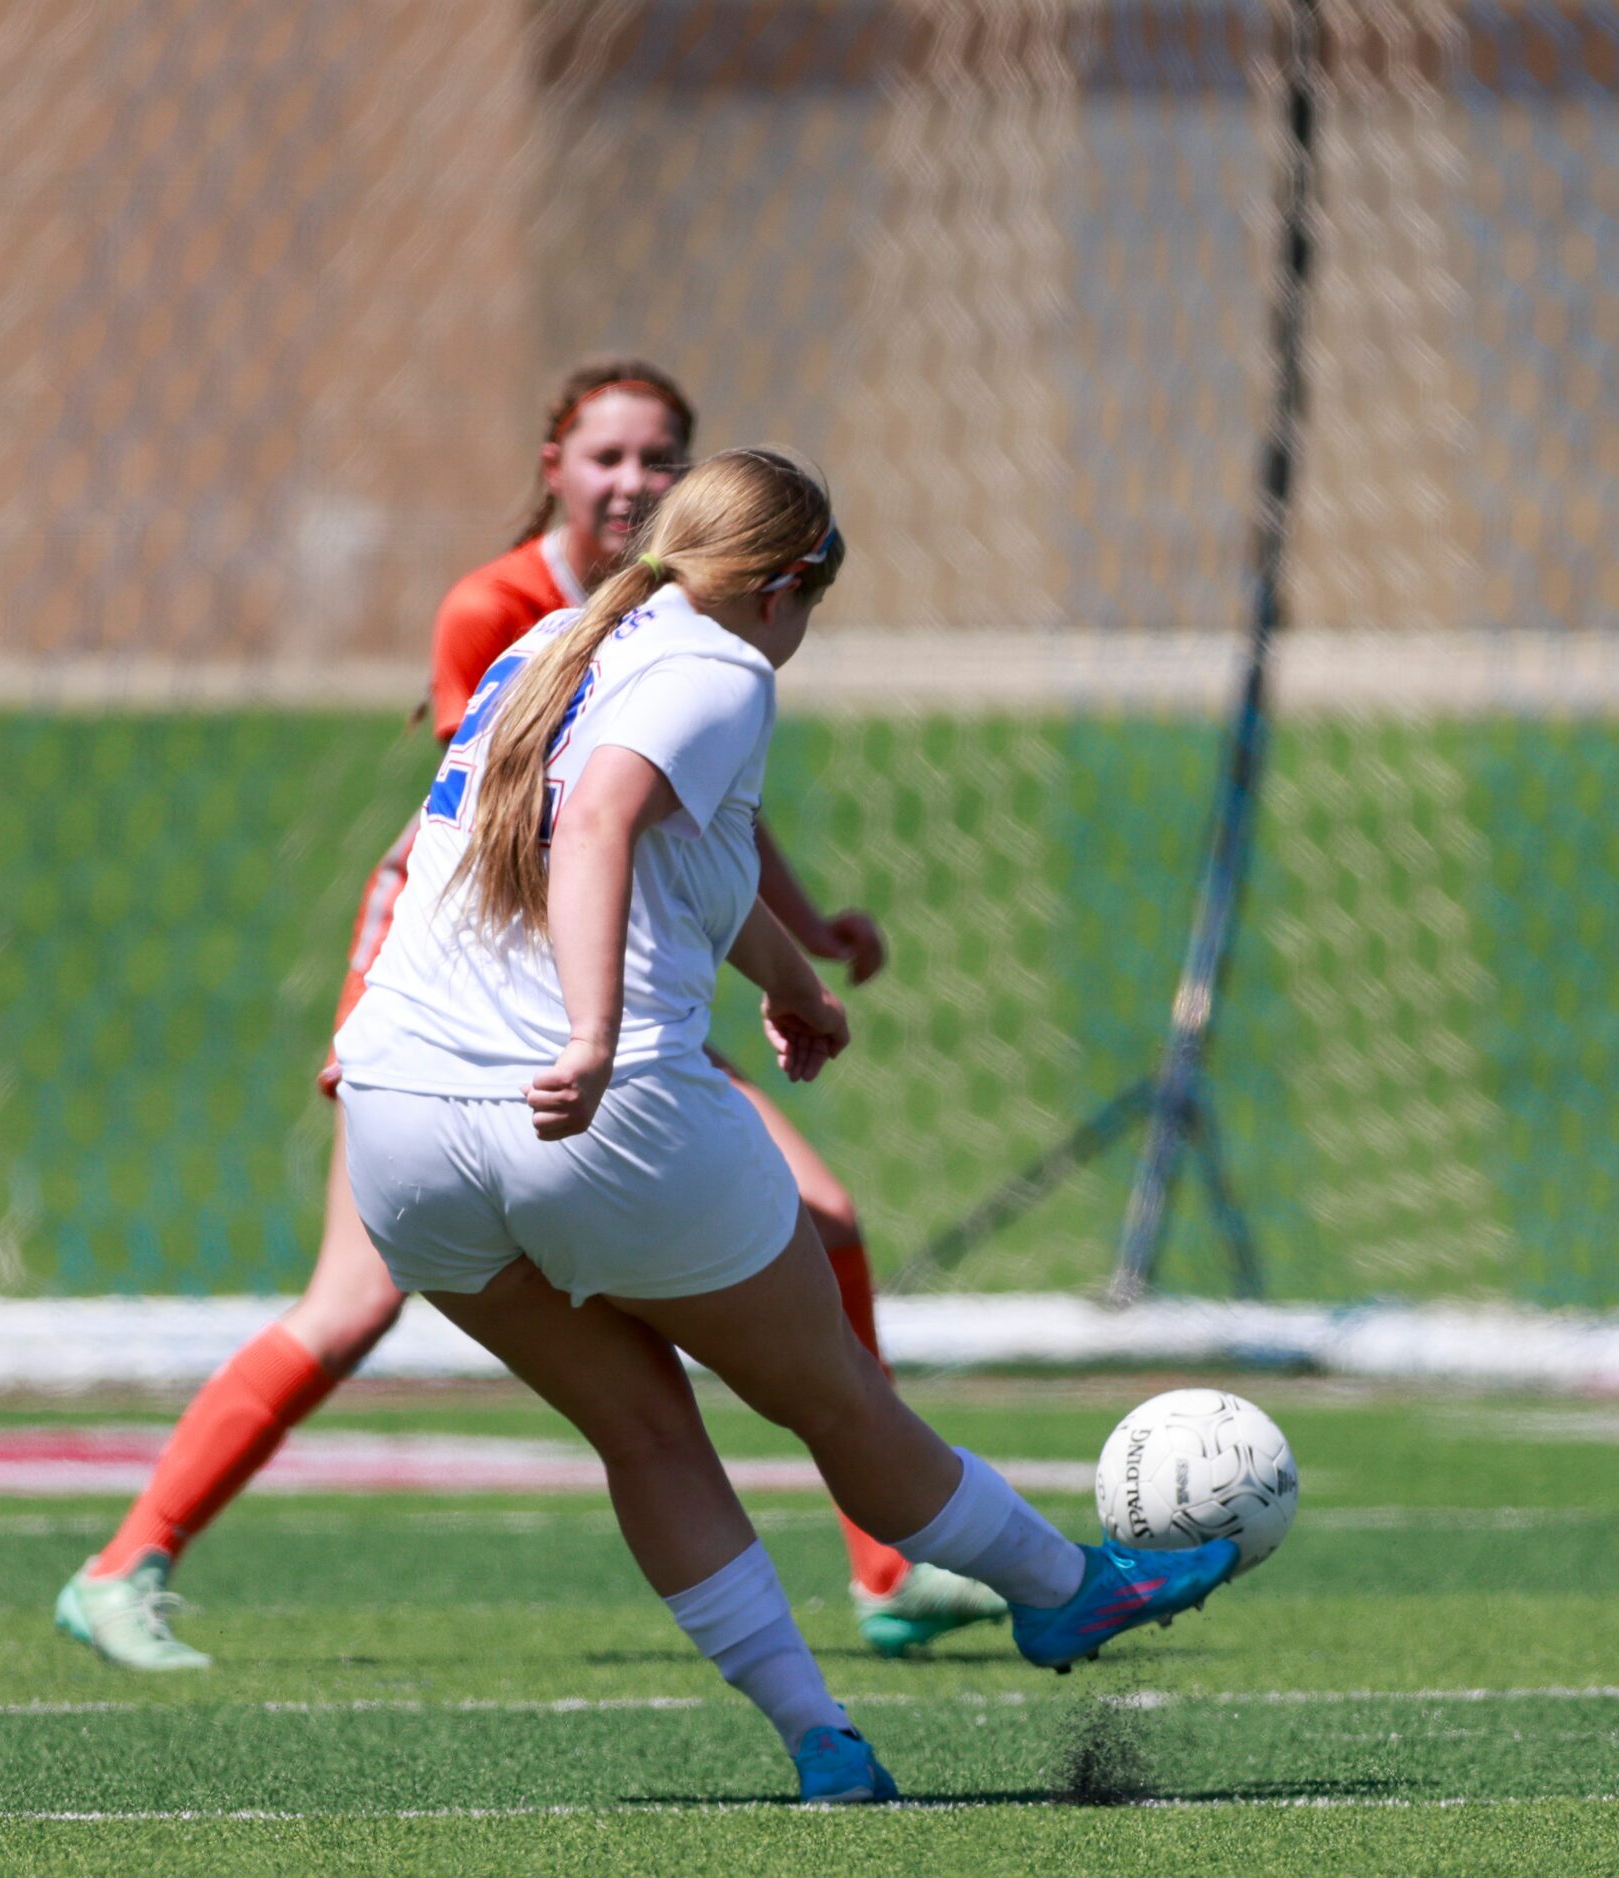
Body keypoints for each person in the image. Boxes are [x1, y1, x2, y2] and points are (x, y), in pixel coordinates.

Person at [58, 361, 999, 1669]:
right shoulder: (506, 609)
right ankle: (126, 1561)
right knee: (350, 1303)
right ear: (551, 462)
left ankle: (888, 1563)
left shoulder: (695, 631)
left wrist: (803, 936)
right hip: (479, 993)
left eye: (661, 457)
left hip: (603, 977)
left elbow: (695, 810)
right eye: (607, 456)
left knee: (824, 1219)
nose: (634, 481)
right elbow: (529, 820)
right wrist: (590, 1028)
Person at [331, 447, 1238, 1800]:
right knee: (831, 1398)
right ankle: (1061, 1589)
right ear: (782, 585)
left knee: (644, 1434)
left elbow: (663, 854)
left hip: (398, 1123)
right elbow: (596, 827)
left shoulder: (551, 646)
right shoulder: (720, 663)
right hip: (598, 1109)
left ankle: (824, 1743)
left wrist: (794, 982)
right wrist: (587, 1038)